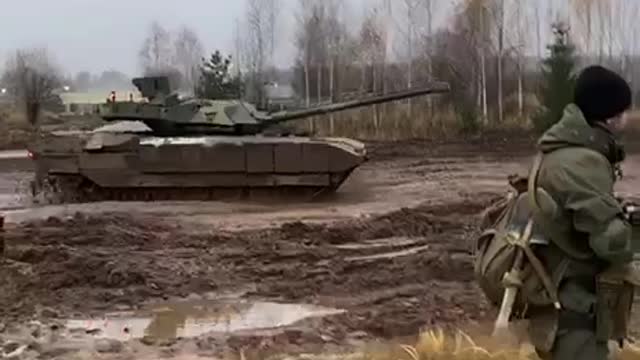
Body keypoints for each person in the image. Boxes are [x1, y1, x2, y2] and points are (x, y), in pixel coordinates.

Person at [526, 65, 635, 360]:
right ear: (611, 116)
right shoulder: (581, 162)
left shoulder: (564, 151)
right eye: (624, 110)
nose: (627, 118)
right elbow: (609, 243)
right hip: (573, 314)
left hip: (562, 305)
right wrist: (630, 230)